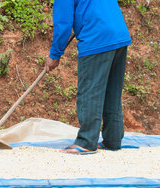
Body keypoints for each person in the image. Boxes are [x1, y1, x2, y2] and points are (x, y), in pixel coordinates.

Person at [46, 0, 132, 154]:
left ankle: (86, 141)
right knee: (111, 92)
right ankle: (112, 140)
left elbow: (63, 23)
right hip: (119, 35)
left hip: (97, 37)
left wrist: (54, 55)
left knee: (90, 91)